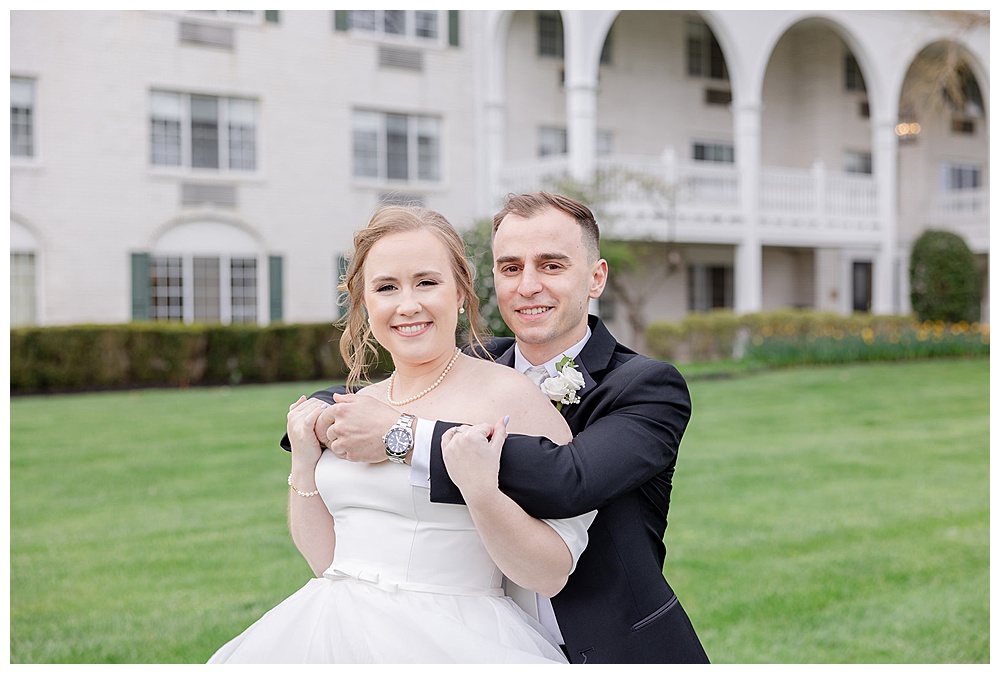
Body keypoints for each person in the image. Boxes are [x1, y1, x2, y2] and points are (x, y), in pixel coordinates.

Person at [294, 192, 710, 664]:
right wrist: (319, 422)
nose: (528, 285)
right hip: (450, 633)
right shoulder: (465, 363)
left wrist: (403, 437)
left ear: (596, 277)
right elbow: (380, 390)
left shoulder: (646, 387)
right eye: (511, 268)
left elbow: (570, 478)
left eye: (551, 266)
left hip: (608, 645)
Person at [210, 205, 597, 664]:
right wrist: (304, 462)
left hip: (453, 638)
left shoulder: (511, 398)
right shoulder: (355, 405)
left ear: (460, 292)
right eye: (387, 287)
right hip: (329, 627)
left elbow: (549, 574)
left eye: (426, 282)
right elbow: (327, 563)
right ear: (365, 302)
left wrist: (481, 492)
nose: (407, 304)